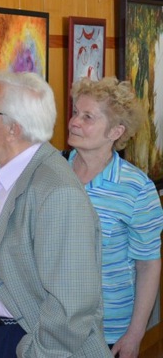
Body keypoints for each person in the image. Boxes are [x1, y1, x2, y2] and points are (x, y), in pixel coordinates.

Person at [0, 70, 111, 357]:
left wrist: (31, 353)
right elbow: (12, 272)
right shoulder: (7, 175)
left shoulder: (57, 191)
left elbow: (71, 309)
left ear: (13, 128)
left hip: (35, 344)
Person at [65, 77, 163, 358]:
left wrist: (135, 334)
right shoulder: (54, 173)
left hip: (108, 331)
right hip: (53, 326)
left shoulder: (136, 189)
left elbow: (148, 266)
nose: (74, 122)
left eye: (87, 117)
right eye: (75, 112)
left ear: (115, 131)